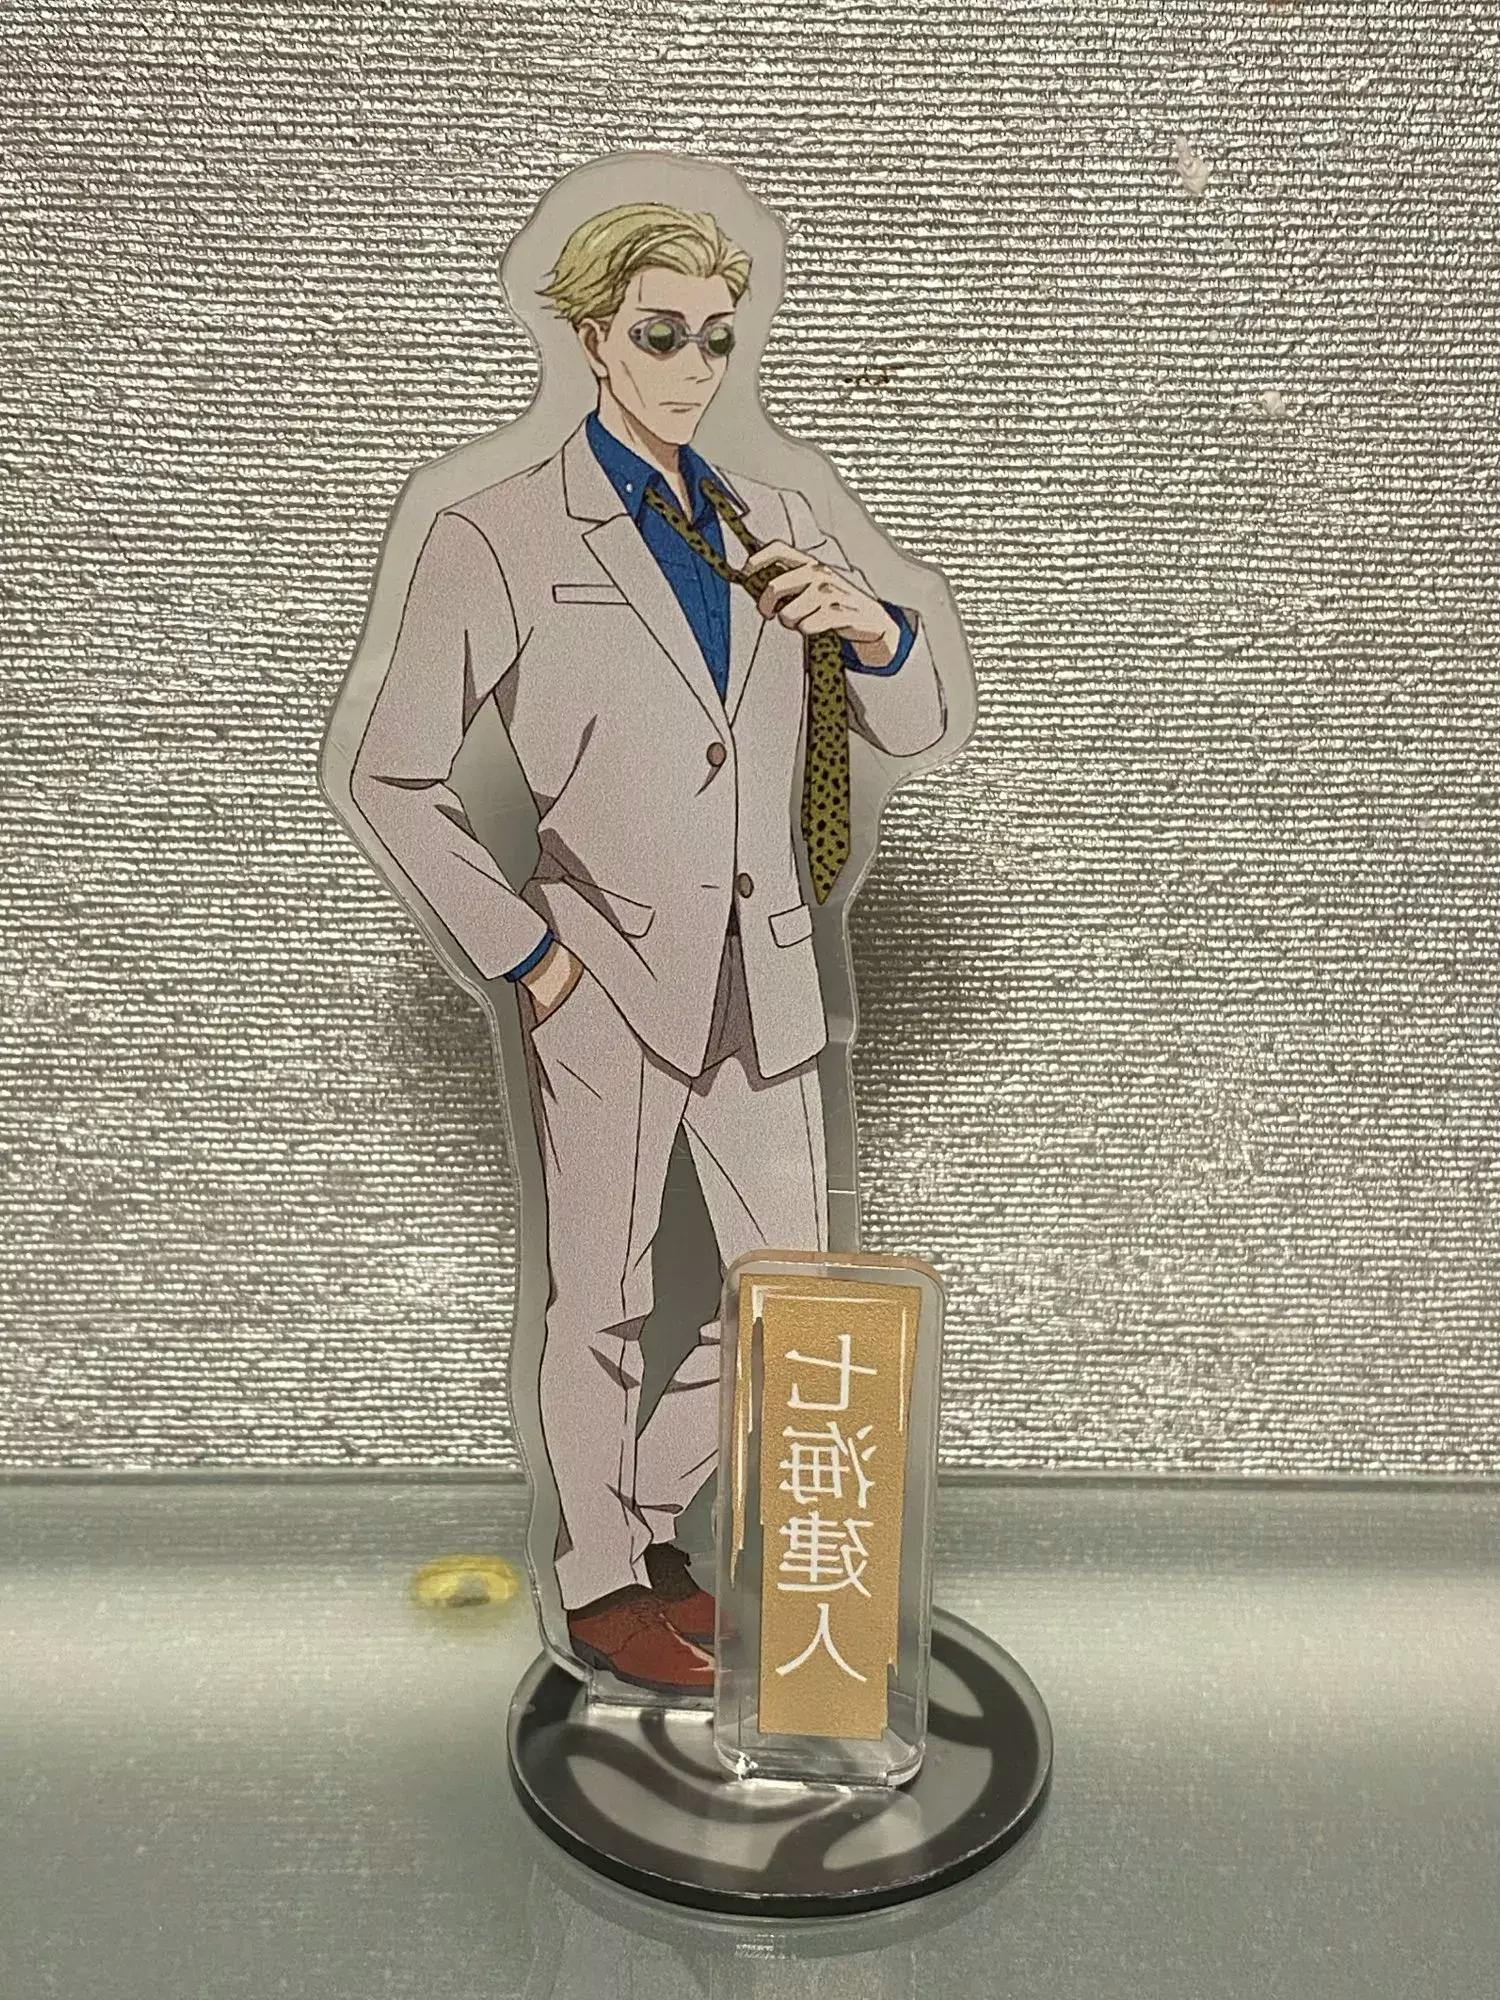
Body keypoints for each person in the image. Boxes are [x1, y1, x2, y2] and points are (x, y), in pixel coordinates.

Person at [344, 201, 946, 1693]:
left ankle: (648, 1515)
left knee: (794, 1301)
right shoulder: (499, 531)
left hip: (767, 968)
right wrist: (525, 955)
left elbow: (919, 725)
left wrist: (872, 629)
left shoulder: (771, 518)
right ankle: (606, 1578)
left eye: (717, 341)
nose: (691, 368)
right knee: (601, 1298)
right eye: (660, 335)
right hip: (601, 974)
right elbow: (390, 774)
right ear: (594, 336)